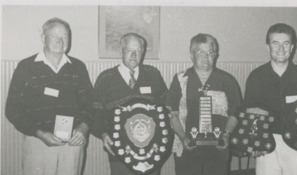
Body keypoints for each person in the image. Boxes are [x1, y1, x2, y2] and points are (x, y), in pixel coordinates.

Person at [5, 17, 93, 175]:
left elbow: (91, 104)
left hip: (73, 144)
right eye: (55, 36)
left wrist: (83, 128)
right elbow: (13, 109)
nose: (60, 40)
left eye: (64, 36)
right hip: (38, 143)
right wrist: (39, 133)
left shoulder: (78, 67)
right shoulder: (26, 67)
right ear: (43, 38)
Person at [243, 23, 297, 175]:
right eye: (275, 43)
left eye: (286, 43)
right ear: (267, 47)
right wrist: (253, 143)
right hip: (266, 142)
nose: (281, 49)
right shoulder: (256, 77)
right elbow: (249, 112)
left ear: (292, 47)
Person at [166, 33, 242, 175]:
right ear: (191, 55)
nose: (205, 57)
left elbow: (235, 112)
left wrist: (226, 135)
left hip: (218, 148)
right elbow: (172, 114)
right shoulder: (180, 80)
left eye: (210, 52)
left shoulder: (227, 80)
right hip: (187, 146)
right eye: (200, 52)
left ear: (216, 55)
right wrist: (183, 137)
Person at [91, 33, 167, 175]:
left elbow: (165, 109)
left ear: (143, 52)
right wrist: (103, 134)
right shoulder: (105, 79)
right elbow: (95, 115)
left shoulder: (153, 75)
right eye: (129, 50)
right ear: (121, 51)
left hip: (151, 150)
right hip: (119, 151)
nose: (133, 55)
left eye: (138, 51)